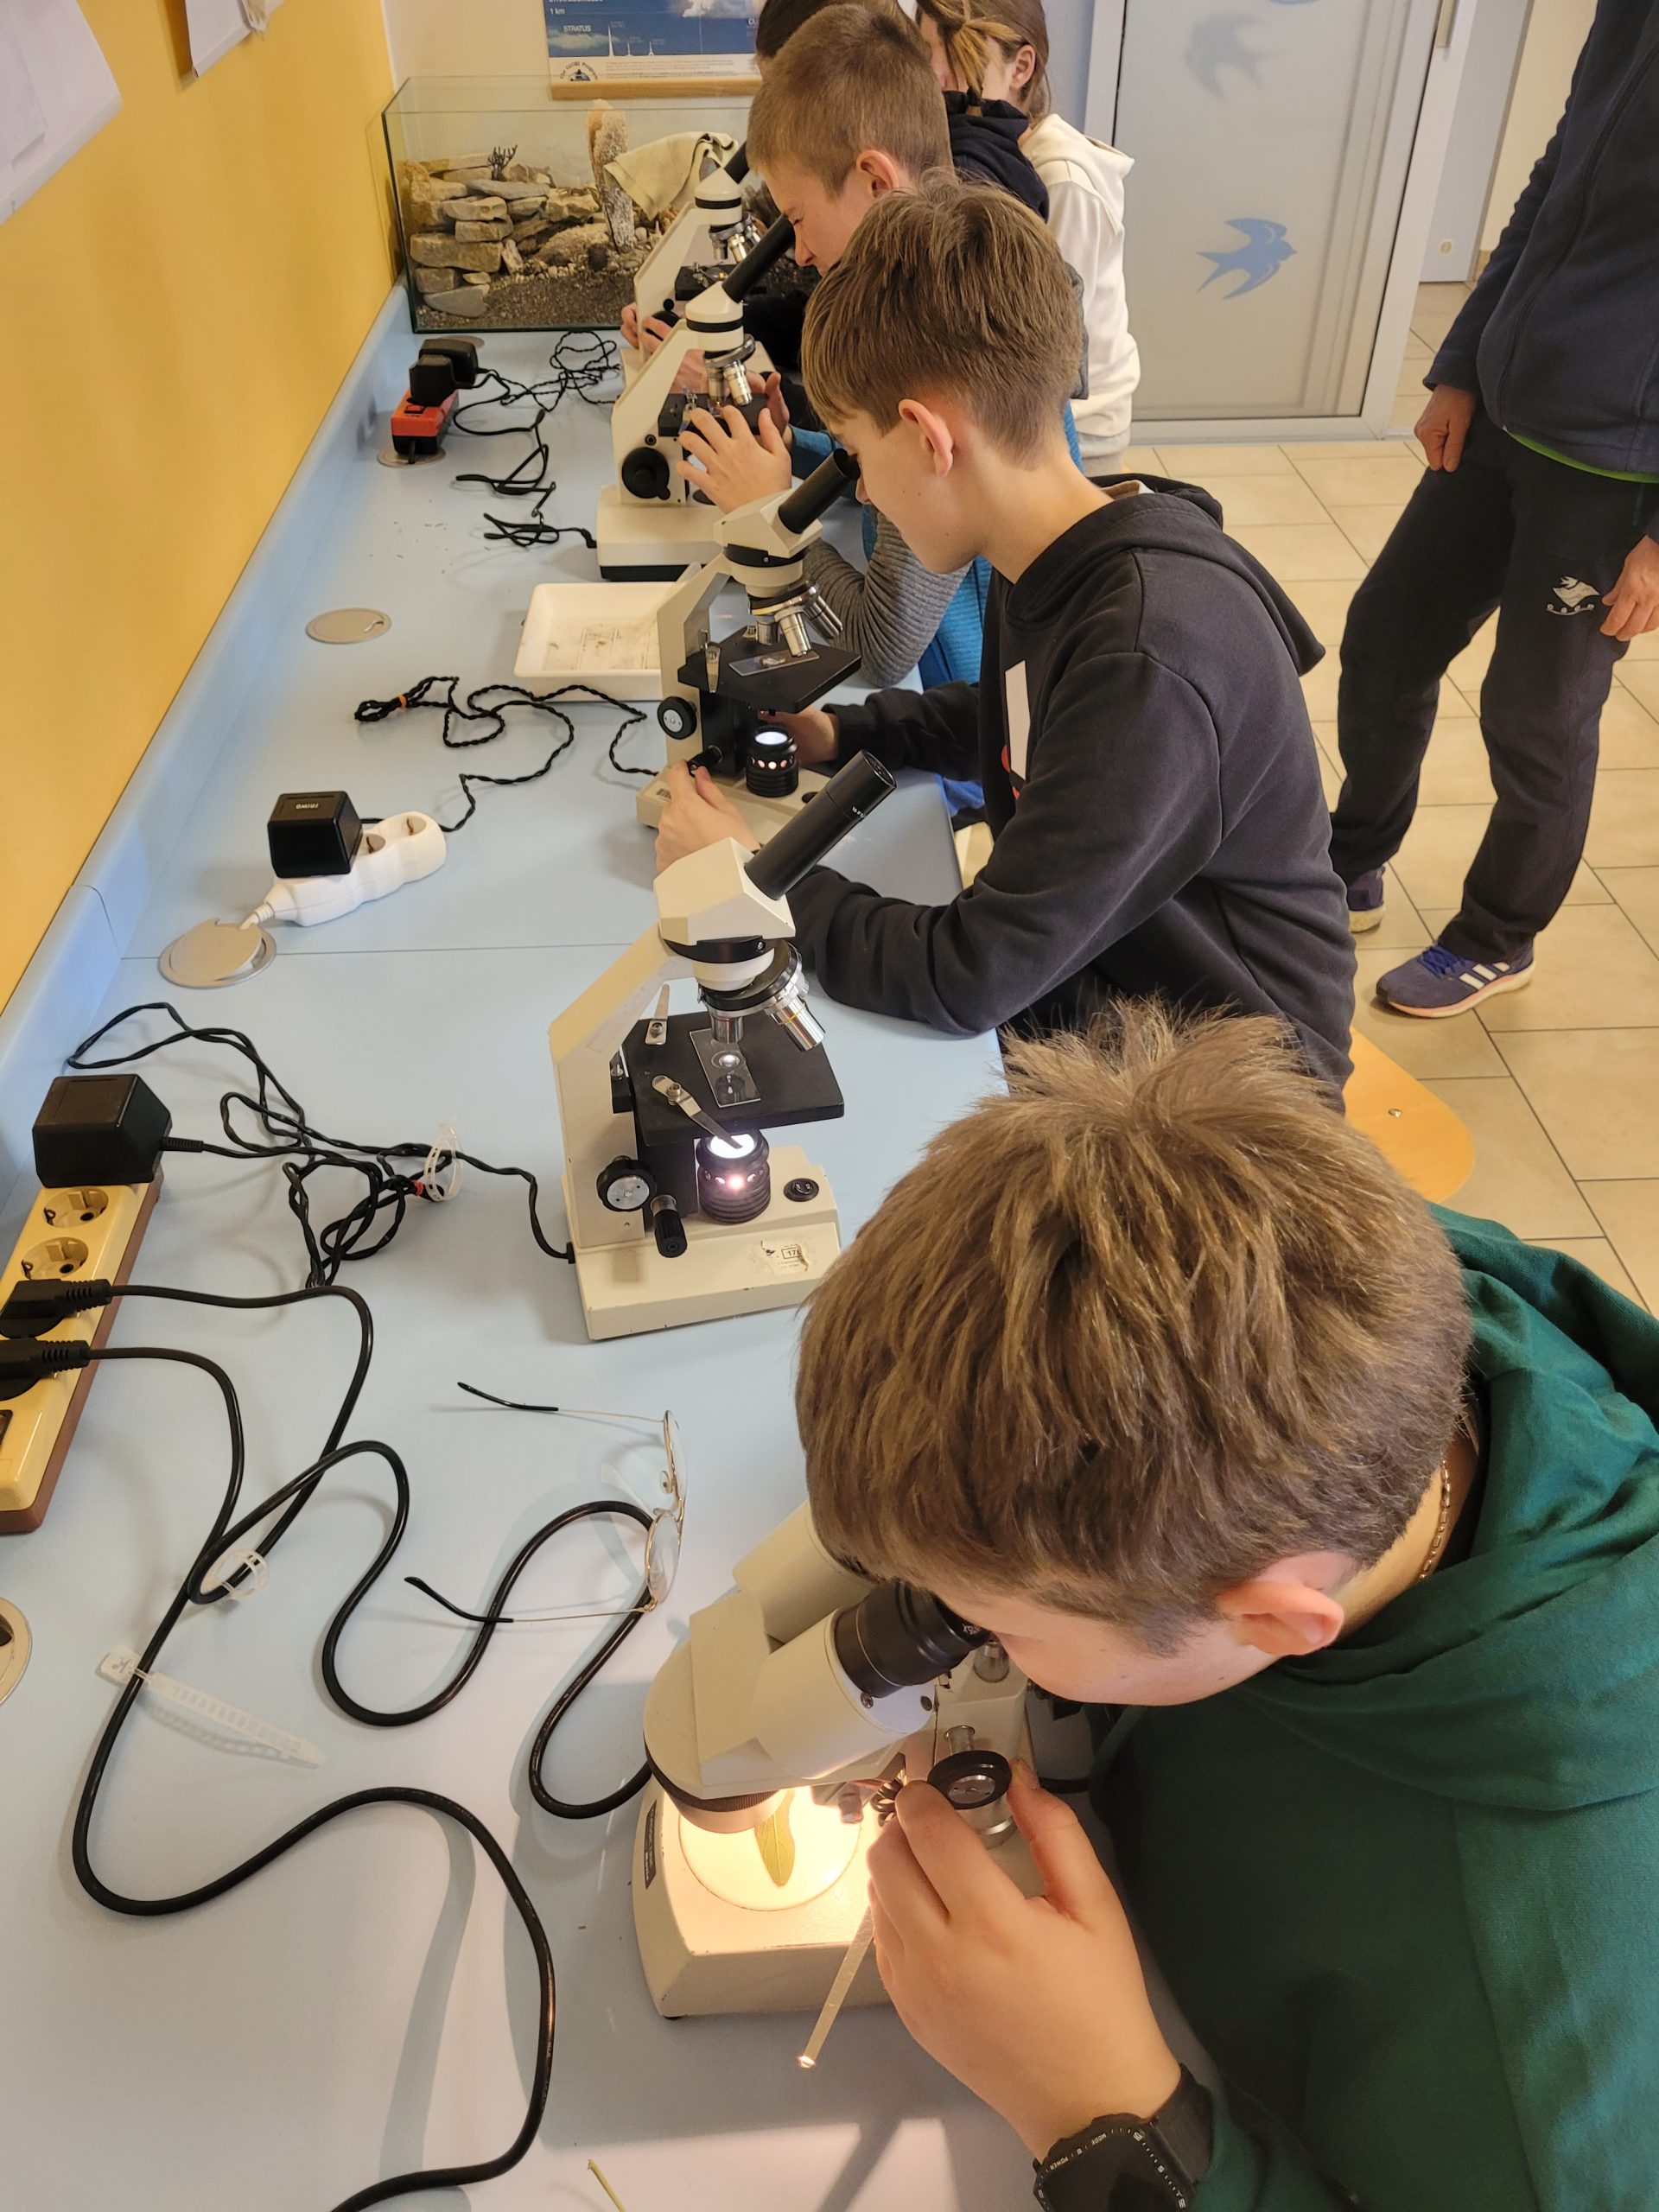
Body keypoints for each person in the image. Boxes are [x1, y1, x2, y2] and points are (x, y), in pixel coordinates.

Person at [795, 1002, 1659, 2211]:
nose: (951, 1632)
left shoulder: (1545, 2062)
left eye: (995, 1624)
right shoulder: (1354, 1279)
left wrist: (1104, 2115)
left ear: (1272, 1623)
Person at [657, 178, 1355, 1092]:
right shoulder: (1062, 550)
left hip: (1218, 1106)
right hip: (1103, 1001)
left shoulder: (1149, 656)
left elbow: (967, 975)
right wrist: (844, 732)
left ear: (928, 438)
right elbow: (1027, 717)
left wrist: (754, 878)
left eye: (858, 458)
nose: (859, 491)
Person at [1329, 0, 1659, 1018]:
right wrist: (1465, 362)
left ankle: (1498, 935)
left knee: (1535, 714)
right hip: (1506, 413)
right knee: (1386, 636)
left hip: (1614, 466)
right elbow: (1555, 179)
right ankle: (1351, 856)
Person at [674, 2, 1071, 700]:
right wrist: (794, 447)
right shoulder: (935, 283)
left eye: (799, 218)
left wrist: (774, 512)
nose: (798, 252)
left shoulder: (935, 343)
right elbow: (879, 459)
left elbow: (879, 646)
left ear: (875, 181)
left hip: (961, 700)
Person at [912, 0, 1140, 465]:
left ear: (1021, 67)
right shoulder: (978, 149)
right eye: (926, 50)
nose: (935, 71)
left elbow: (1052, 346)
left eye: (958, 50)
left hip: (1081, 426)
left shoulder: (1063, 179)